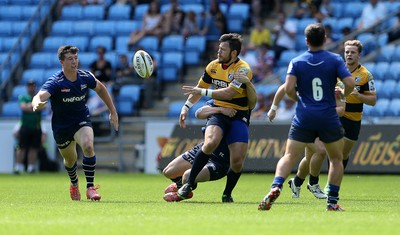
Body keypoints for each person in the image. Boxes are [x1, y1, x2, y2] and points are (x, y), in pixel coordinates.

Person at [258, 23, 355, 212]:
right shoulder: (335, 59)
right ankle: (332, 202)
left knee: (289, 156)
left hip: (304, 116)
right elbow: (349, 82)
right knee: (336, 159)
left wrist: (299, 99)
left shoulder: (297, 61)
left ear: (306, 41)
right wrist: (343, 94)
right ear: (325, 39)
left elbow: (287, 89)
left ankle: (275, 186)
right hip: (327, 115)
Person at [174, 33, 255, 203]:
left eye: (223, 49)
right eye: (219, 48)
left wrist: (202, 92)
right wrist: (186, 107)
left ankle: (227, 194)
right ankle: (189, 183)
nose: (219, 52)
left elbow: (229, 92)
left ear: (233, 53)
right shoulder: (213, 66)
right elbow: (198, 89)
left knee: (238, 161)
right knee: (210, 142)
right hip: (218, 111)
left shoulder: (243, 69)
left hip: (239, 114)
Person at [32, 45, 119, 201]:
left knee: (88, 145)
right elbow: (40, 95)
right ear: (61, 62)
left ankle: (90, 188)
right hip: (62, 126)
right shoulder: (56, 81)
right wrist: (36, 103)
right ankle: (74, 183)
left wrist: (112, 110)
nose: (74, 62)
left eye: (76, 58)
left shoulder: (85, 77)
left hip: (81, 119)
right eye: (70, 59)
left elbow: (101, 88)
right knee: (70, 160)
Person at [268, 82, 346, 199]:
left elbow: (341, 110)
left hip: (323, 124)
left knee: (310, 157)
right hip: (304, 121)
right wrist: (273, 108)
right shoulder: (307, 73)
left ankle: (296, 182)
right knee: (319, 151)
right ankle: (313, 183)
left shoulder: (337, 84)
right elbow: (284, 88)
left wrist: (326, 112)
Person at [162, 101, 236, 202]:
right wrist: (220, 110)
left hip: (219, 161)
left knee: (187, 176)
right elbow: (199, 113)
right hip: (204, 148)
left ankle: (184, 192)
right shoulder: (215, 102)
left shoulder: (236, 108)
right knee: (168, 172)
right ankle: (180, 186)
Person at [14, 80, 45, 174]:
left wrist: (30, 107)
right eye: (29, 86)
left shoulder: (38, 97)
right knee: (21, 147)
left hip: (36, 127)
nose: (31, 88)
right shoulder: (23, 97)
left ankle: (31, 167)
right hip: (25, 126)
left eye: (32, 86)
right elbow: (23, 107)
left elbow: (43, 107)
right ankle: (18, 166)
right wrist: (35, 106)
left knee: (34, 148)